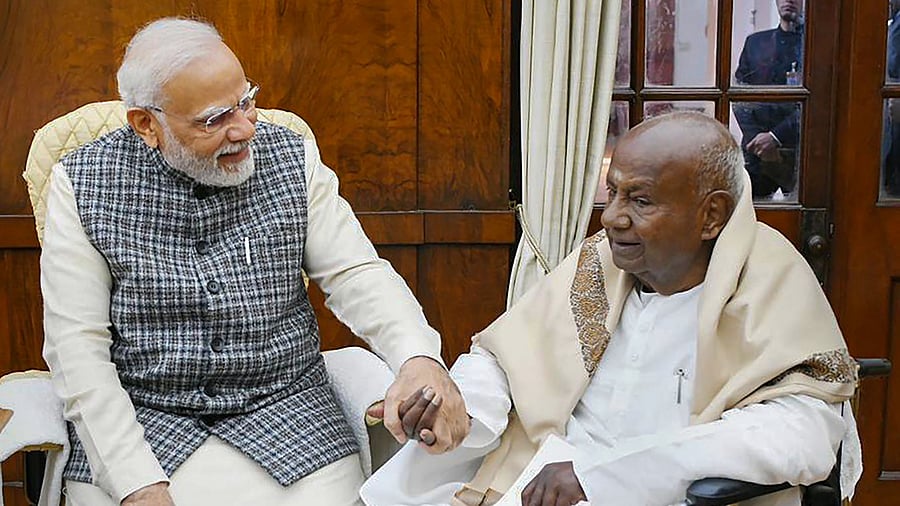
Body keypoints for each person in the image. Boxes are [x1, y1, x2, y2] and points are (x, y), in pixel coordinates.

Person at [40, 17, 469, 506]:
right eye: (215, 119)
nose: (244, 128)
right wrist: (135, 482)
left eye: (246, 101)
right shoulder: (82, 184)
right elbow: (77, 347)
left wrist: (418, 358)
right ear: (147, 124)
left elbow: (356, 274)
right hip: (144, 419)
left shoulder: (291, 157)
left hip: (290, 417)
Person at [360, 112, 861, 506]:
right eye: (613, 192)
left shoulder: (768, 280)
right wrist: (461, 407)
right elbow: (508, 360)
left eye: (640, 200)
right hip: (540, 477)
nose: (613, 216)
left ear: (712, 216)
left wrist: (604, 476)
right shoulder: (604, 261)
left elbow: (804, 435)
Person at [733, 0, 804, 198]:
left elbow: (818, 101)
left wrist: (775, 137)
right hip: (755, 154)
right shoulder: (755, 43)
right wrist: (758, 141)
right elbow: (739, 95)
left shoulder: (817, 47)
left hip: (797, 152)